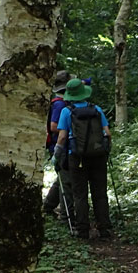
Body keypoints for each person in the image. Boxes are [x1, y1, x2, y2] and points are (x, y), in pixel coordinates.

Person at [54, 79, 113, 241]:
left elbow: (62, 137)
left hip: (77, 157)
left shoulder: (67, 112)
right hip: (99, 156)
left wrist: (56, 157)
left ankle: (83, 230)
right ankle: (105, 229)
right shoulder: (97, 109)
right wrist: (106, 151)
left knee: (79, 194)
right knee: (100, 193)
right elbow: (107, 133)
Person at [43, 70, 74, 224]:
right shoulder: (60, 104)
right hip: (59, 146)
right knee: (66, 180)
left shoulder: (63, 102)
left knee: (62, 178)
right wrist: (68, 127)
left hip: (63, 146)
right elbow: (54, 126)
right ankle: (65, 215)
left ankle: (48, 206)